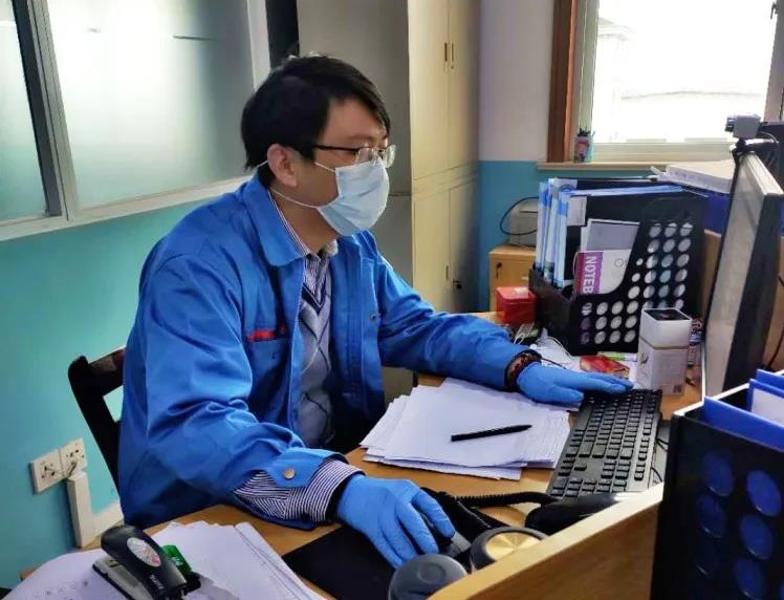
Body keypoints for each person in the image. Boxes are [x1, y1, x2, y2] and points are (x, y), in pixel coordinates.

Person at [118, 55, 631, 568]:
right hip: (213, 515)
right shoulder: (198, 265)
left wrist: (518, 365)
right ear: (286, 164)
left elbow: (415, 328)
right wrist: (339, 488)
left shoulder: (348, 242)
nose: (377, 170)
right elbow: (195, 424)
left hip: (336, 477)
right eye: (358, 152)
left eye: (381, 151)